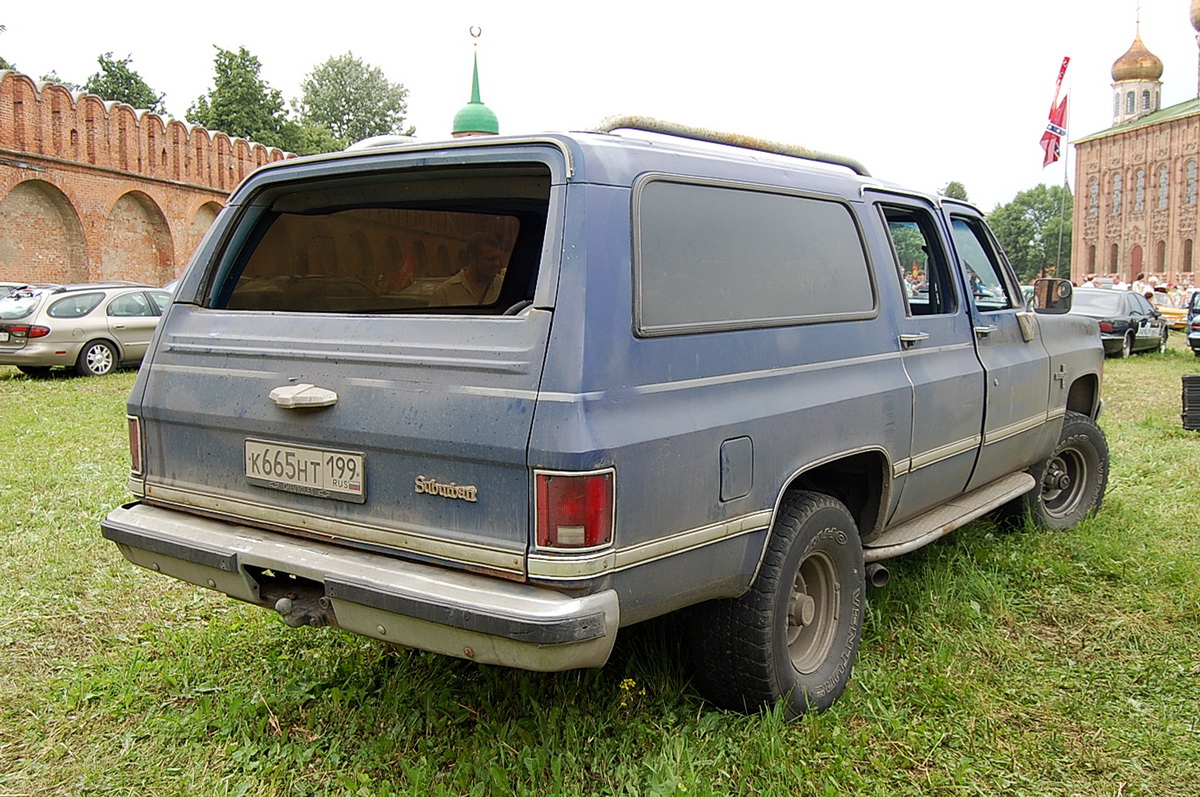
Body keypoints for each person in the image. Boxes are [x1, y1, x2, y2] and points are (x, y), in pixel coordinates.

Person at [429, 233, 505, 306]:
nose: (497, 264)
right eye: (491, 259)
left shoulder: (504, 288)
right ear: (473, 258)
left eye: (498, 258)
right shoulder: (445, 293)